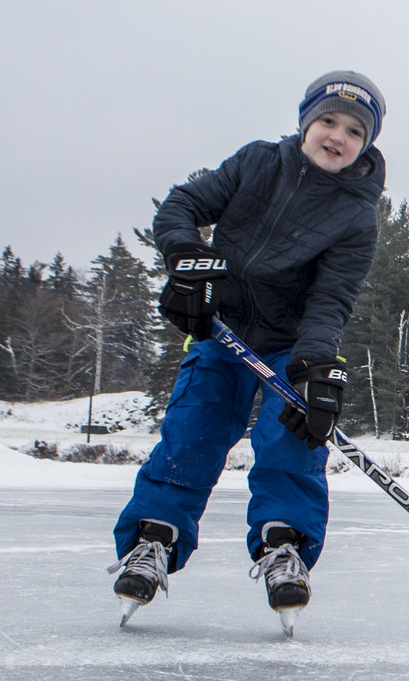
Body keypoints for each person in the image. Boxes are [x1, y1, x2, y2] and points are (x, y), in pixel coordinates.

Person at [108, 71, 387, 629]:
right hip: (221, 330)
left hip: (290, 344)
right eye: (328, 120)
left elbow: (331, 298)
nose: (337, 135)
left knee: (291, 435)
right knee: (194, 430)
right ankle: (153, 540)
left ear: (367, 143)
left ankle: (283, 548)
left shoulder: (357, 216)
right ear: (306, 122)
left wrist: (315, 368)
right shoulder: (258, 162)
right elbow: (181, 206)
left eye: (354, 130)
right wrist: (188, 262)